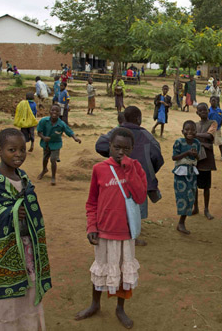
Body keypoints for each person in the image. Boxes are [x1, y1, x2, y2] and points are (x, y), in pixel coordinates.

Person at [0, 128, 51, 330]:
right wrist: (12, 213)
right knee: (5, 304)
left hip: (26, 251)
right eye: (12, 150)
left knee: (27, 293)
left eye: (22, 150)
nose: (18, 155)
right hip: (1, 256)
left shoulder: (23, 179)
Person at [76, 127, 145, 329]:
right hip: (104, 231)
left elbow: (140, 197)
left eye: (126, 148)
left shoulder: (136, 167)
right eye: (117, 147)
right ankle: (95, 304)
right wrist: (91, 226)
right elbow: (92, 202)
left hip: (125, 232)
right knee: (101, 267)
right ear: (110, 147)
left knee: (124, 272)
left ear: (132, 149)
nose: (121, 152)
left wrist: (129, 169)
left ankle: (120, 308)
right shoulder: (99, 169)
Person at [95, 106, 164, 246]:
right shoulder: (147, 136)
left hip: (115, 178)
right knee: (136, 208)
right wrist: (147, 172)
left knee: (117, 205)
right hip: (137, 180)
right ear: (138, 119)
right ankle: (132, 235)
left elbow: (100, 145)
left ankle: (122, 234)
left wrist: (113, 158)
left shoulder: (116, 133)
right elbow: (157, 157)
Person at [36, 105, 81, 186]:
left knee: (53, 159)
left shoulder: (61, 124)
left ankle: (53, 177)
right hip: (46, 143)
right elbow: (39, 132)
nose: (54, 112)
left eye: (57, 111)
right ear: (49, 111)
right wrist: (43, 137)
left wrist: (75, 138)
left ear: (59, 113)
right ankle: (44, 170)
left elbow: (69, 131)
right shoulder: (44, 121)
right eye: (53, 110)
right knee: (45, 158)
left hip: (56, 144)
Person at [172, 120, 203, 234]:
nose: (189, 132)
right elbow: (174, 157)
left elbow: (198, 159)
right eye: (187, 130)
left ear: (196, 131)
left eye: (192, 130)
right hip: (181, 174)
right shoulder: (178, 142)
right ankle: (181, 223)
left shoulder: (197, 143)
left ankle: (182, 222)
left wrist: (195, 155)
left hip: (192, 173)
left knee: (190, 197)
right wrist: (187, 153)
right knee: (182, 197)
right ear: (182, 131)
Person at [194, 103, 217, 220]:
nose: (203, 112)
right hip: (196, 159)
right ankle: (196, 207)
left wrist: (195, 136)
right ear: (197, 113)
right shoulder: (196, 125)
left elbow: (209, 136)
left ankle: (206, 209)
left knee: (206, 187)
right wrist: (204, 144)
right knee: (194, 186)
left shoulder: (213, 123)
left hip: (206, 160)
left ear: (208, 111)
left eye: (205, 110)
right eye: (200, 110)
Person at [208, 96, 222, 160]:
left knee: (220, 142)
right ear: (210, 102)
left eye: (215, 101)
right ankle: (212, 154)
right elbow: (208, 120)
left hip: (218, 129)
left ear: (217, 102)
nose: (213, 102)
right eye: (212, 101)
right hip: (211, 129)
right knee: (211, 142)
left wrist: (220, 125)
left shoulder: (219, 110)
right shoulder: (209, 111)